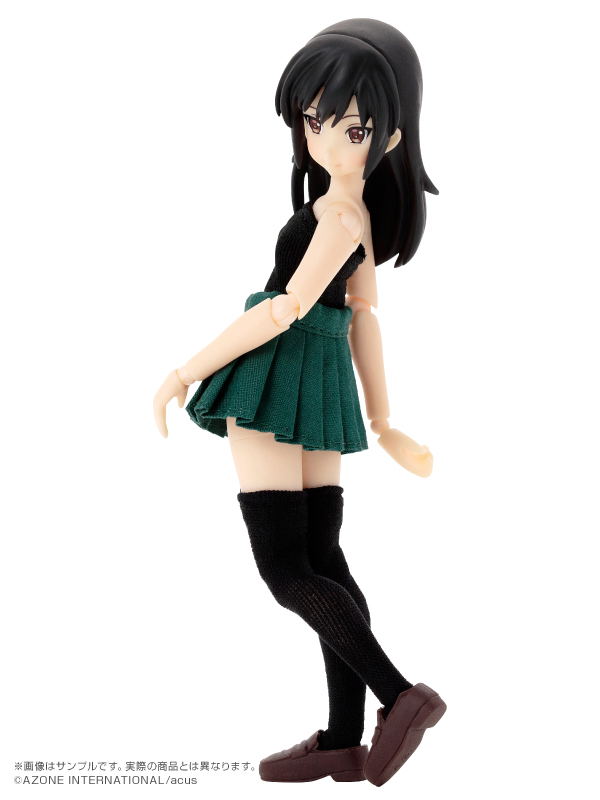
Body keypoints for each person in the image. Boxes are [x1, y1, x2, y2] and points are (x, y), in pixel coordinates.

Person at [153, 17, 446, 787]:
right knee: (324, 559)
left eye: (351, 128)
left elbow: (284, 308)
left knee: (287, 570)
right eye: (315, 121)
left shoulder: (336, 218)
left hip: (280, 375)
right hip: (324, 379)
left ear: (387, 138)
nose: (325, 140)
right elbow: (364, 317)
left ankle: (399, 697)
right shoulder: (360, 215)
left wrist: (186, 370)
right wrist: (383, 421)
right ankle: (345, 739)